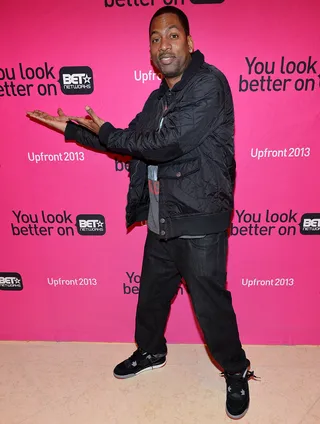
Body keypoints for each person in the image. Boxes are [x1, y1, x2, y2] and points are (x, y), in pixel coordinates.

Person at [27, 6, 258, 420]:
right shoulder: (158, 98)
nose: (163, 44)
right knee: (151, 299)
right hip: (161, 217)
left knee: (210, 307)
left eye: (172, 35)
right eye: (155, 38)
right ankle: (151, 351)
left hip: (199, 219)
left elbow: (167, 143)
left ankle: (236, 370)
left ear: (189, 42)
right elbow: (128, 140)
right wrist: (74, 131)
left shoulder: (209, 85)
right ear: (150, 51)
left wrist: (111, 132)